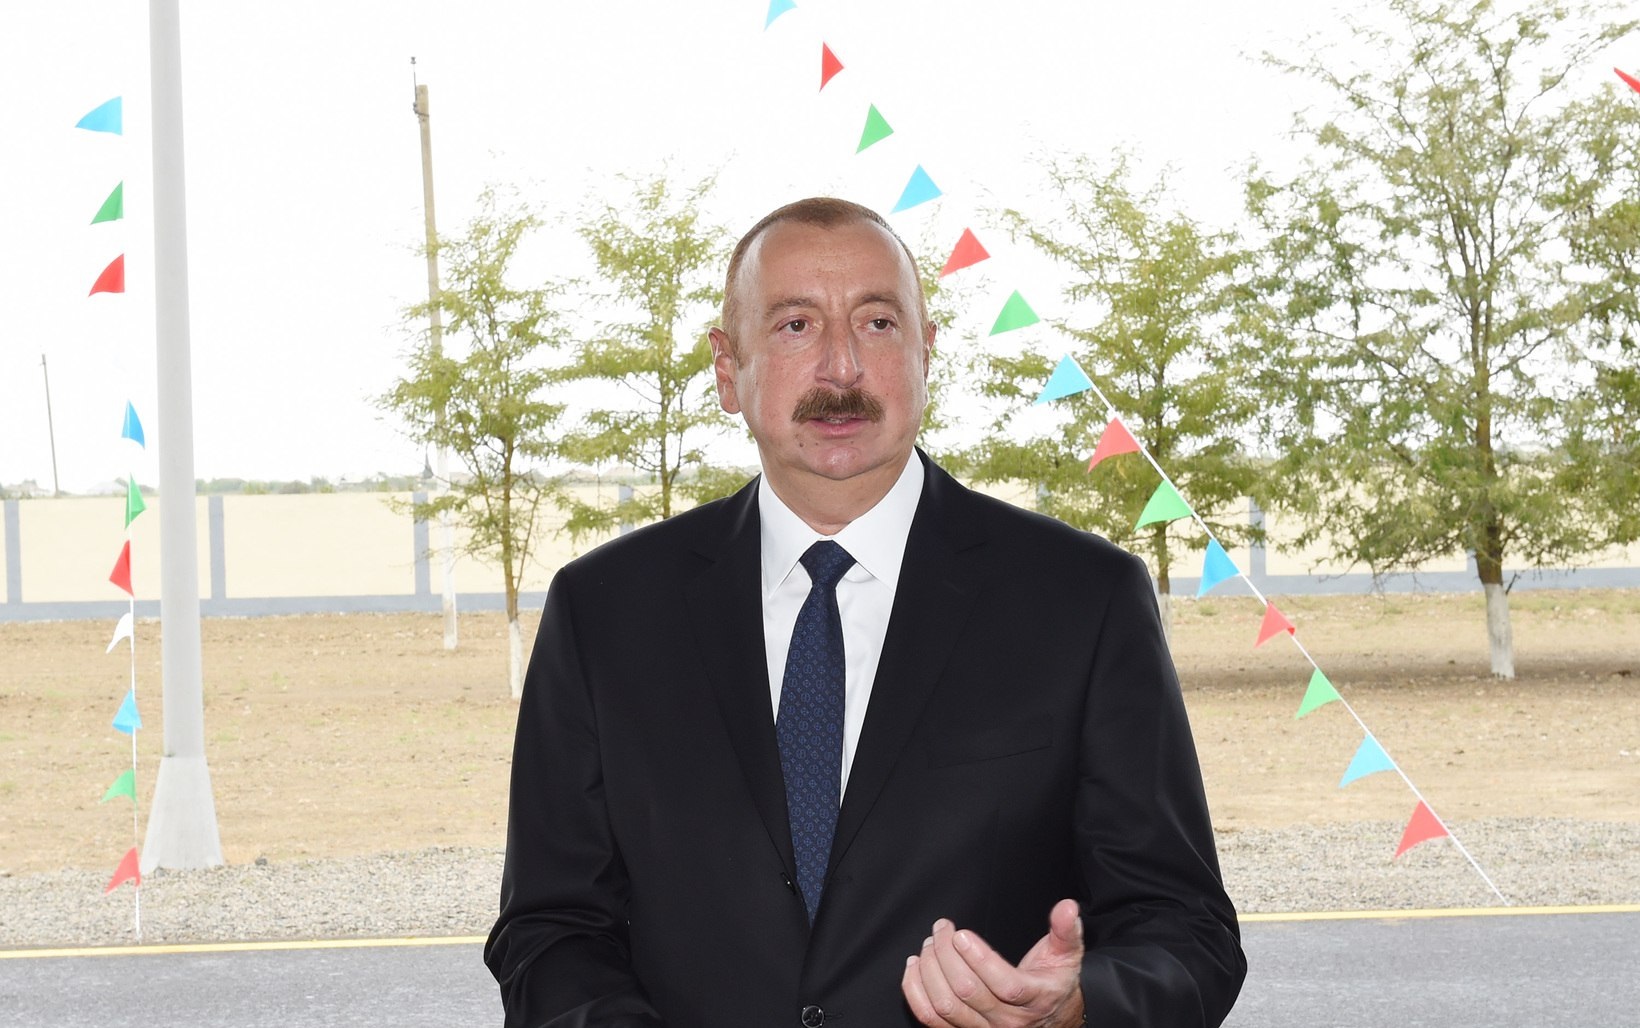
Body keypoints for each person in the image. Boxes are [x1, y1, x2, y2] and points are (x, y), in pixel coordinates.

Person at [485, 197, 1246, 1028]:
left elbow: (1186, 932)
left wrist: (1077, 1004)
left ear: (926, 352)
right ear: (728, 370)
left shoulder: (1083, 600)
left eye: (878, 323)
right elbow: (550, 931)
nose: (842, 369)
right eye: (795, 326)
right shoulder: (604, 612)